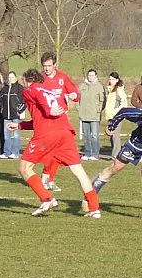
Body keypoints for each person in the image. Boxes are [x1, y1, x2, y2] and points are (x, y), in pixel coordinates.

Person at [7, 69, 101, 218]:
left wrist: (50, 110)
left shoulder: (31, 89)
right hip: (65, 132)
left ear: (26, 80)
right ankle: (94, 208)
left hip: (48, 134)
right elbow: (40, 119)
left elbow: (41, 101)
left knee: (25, 167)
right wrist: (19, 125)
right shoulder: (50, 90)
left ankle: (47, 199)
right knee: (78, 171)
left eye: (23, 81)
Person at [39, 51, 80, 192]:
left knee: (58, 150)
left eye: (49, 66)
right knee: (53, 150)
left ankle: (48, 178)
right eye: (45, 66)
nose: (47, 69)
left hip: (61, 120)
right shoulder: (40, 79)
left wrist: (74, 95)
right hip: (47, 120)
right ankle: (46, 177)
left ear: (55, 65)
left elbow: (75, 92)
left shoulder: (63, 77)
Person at [78, 69, 106, 161]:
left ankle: (95, 153)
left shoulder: (99, 86)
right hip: (84, 114)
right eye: (89, 75)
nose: (91, 77)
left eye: (92, 75)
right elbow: (77, 98)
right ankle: (87, 152)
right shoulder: (82, 86)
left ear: (96, 76)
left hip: (94, 115)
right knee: (86, 135)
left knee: (94, 135)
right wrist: (79, 108)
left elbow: (102, 100)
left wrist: (98, 110)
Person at [0, 71, 25, 159]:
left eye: (12, 77)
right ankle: (6, 152)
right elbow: (0, 101)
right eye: (9, 77)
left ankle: (15, 152)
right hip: (6, 115)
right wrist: (2, 110)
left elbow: (24, 101)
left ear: (15, 78)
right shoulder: (4, 89)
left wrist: (19, 111)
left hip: (16, 115)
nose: (10, 79)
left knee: (16, 135)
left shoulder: (20, 88)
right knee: (7, 135)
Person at [105, 72, 128, 159]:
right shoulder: (110, 90)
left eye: (113, 79)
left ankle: (116, 155)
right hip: (110, 116)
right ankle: (114, 154)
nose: (111, 81)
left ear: (117, 80)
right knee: (111, 135)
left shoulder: (119, 90)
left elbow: (124, 102)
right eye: (110, 79)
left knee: (115, 135)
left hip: (117, 116)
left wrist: (117, 111)